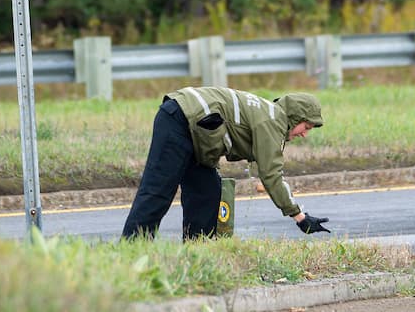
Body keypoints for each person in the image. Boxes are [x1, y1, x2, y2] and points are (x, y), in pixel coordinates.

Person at [121, 86, 332, 240]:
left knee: (207, 191)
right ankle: (132, 251)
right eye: (306, 126)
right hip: (180, 119)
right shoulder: (273, 121)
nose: (305, 134)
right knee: (159, 189)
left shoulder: (270, 114)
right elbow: (271, 176)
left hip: (194, 130)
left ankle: (197, 253)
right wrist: (300, 217)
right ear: (295, 117)